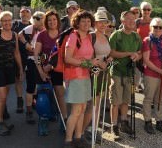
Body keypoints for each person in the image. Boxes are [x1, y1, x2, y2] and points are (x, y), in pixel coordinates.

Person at [63, 10, 100, 147]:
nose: (86, 23)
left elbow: (89, 58)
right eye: (83, 21)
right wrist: (89, 64)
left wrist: (92, 67)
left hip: (85, 77)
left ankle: (78, 138)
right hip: (74, 77)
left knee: (83, 109)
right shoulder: (73, 37)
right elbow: (68, 59)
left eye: (88, 21)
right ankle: (68, 141)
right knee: (76, 111)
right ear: (77, 23)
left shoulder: (89, 37)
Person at [108, 11, 142, 141]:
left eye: (133, 19)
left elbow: (139, 52)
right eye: (128, 19)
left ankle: (124, 123)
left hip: (129, 73)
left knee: (126, 100)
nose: (131, 21)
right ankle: (114, 126)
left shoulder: (136, 36)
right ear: (122, 21)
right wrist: (129, 53)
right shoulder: (116, 35)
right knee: (115, 101)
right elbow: (112, 53)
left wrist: (136, 56)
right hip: (116, 72)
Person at [82, 10, 112, 142]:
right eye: (100, 22)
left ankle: (92, 130)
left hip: (103, 73)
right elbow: (88, 55)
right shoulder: (91, 36)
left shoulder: (106, 37)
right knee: (91, 104)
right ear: (95, 23)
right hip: (93, 73)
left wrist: (108, 61)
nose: (102, 24)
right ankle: (83, 131)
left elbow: (107, 55)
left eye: (105, 22)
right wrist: (100, 64)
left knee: (97, 103)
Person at [34, 10, 67, 125]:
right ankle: (43, 120)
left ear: (58, 21)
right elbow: (36, 55)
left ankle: (64, 119)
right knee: (43, 97)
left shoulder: (63, 35)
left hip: (58, 69)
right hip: (43, 69)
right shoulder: (41, 35)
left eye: (54, 19)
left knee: (60, 94)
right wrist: (41, 71)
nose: (52, 22)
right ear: (46, 22)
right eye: (49, 20)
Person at [142, 18, 162, 135]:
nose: (158, 29)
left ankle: (159, 121)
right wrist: (160, 70)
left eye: (160, 27)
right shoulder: (147, 41)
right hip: (151, 74)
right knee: (149, 98)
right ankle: (147, 121)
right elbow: (146, 60)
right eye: (155, 27)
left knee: (160, 98)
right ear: (151, 27)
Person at [18, 11, 45, 124]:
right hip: (32, 60)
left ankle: (45, 108)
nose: (37, 21)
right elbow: (19, 35)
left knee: (44, 84)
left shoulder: (46, 29)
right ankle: (29, 111)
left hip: (43, 60)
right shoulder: (31, 28)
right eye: (36, 18)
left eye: (39, 18)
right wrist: (26, 44)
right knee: (31, 85)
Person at [12, 6, 32, 114]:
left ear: (30, 14)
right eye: (22, 13)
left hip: (31, 56)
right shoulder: (15, 25)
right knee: (18, 79)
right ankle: (20, 100)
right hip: (18, 55)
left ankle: (32, 100)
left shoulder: (33, 25)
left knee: (32, 79)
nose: (24, 14)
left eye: (26, 13)